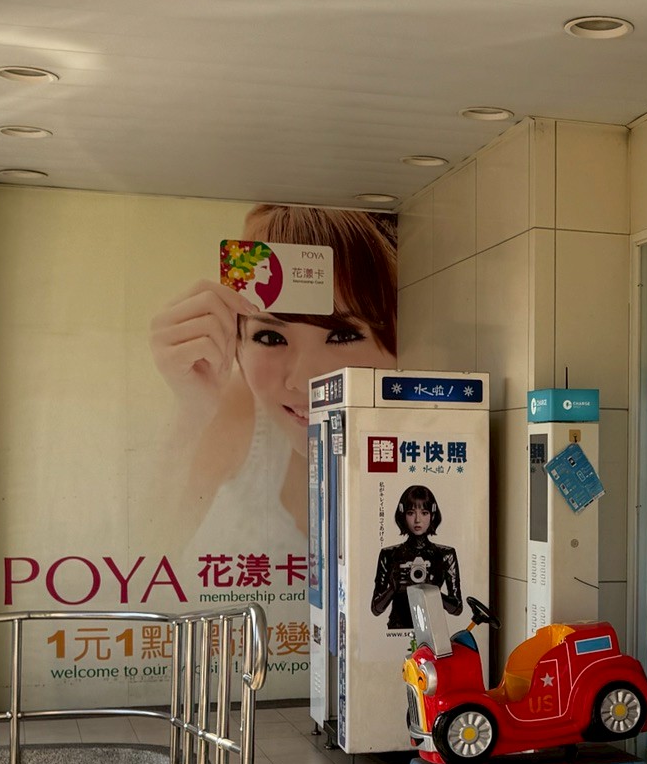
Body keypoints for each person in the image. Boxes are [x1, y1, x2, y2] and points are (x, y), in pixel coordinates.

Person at [150, 204, 397, 562]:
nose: (304, 381)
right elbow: (142, 556)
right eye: (270, 337)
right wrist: (192, 411)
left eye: (342, 335)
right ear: (238, 344)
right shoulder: (236, 409)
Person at [370, 484, 461, 629]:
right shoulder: (389, 555)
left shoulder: (445, 555)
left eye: (424, 513)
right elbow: (376, 609)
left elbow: (457, 608)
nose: (418, 520)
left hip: (433, 630)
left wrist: (431, 590)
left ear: (432, 514)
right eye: (411, 513)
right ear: (402, 514)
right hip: (398, 629)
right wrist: (394, 587)